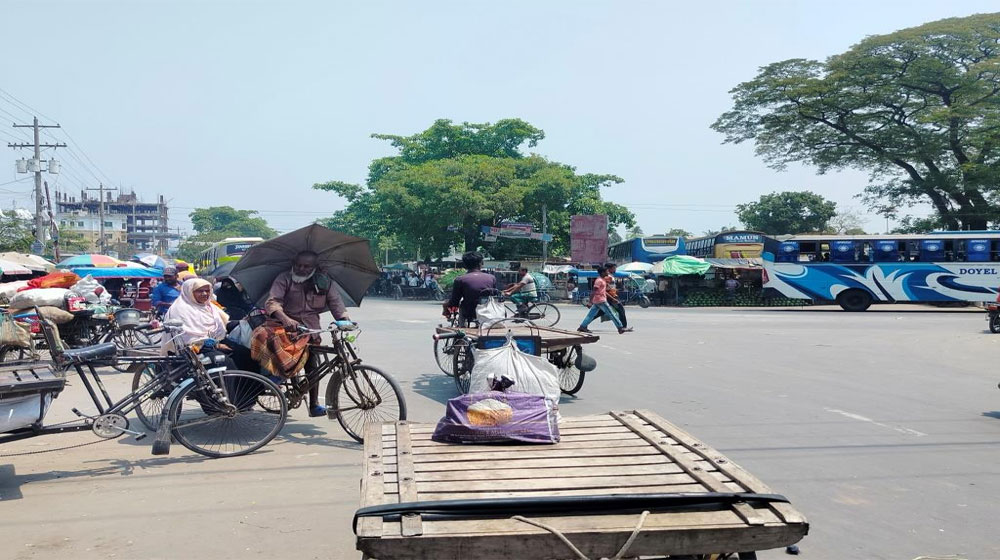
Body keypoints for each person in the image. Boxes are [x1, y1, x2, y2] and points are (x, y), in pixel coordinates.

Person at [265, 250, 351, 417]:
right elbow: (273, 302)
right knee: (286, 357)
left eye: (307, 266)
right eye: (298, 265)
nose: (301, 268)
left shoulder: (324, 282)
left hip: (311, 329)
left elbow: (336, 303)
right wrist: (285, 318)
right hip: (287, 327)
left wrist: (345, 320)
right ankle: (276, 376)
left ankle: (314, 405)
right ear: (293, 264)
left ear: (315, 267)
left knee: (313, 366)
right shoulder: (284, 278)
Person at [162, 278, 230, 353]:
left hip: (215, 342)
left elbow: (224, 322)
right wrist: (216, 345)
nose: (204, 294)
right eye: (200, 291)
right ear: (190, 292)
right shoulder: (180, 309)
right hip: (194, 350)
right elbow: (187, 338)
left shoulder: (209, 306)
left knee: (242, 352)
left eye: (207, 291)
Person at [443, 251, 497, 327]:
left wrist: (446, 308)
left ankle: (461, 328)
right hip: (489, 310)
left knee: (456, 305)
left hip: (469, 311)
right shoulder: (491, 278)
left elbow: (455, 301)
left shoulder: (460, 280)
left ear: (465, 265)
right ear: (481, 263)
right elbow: (495, 296)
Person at [578, 266, 627, 334]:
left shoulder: (603, 280)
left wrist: (612, 298)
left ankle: (582, 326)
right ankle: (620, 327)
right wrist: (590, 301)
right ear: (603, 272)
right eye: (606, 271)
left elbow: (604, 292)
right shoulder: (599, 281)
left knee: (591, 315)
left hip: (598, 300)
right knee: (611, 314)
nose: (608, 272)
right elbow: (594, 291)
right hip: (601, 300)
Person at [603, 263, 632, 331]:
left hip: (612, 295)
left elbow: (611, 286)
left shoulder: (611, 276)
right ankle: (623, 326)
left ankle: (584, 325)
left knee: (599, 312)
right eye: (614, 268)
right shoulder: (608, 277)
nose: (615, 269)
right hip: (611, 296)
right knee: (621, 310)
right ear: (609, 269)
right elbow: (606, 288)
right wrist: (613, 296)